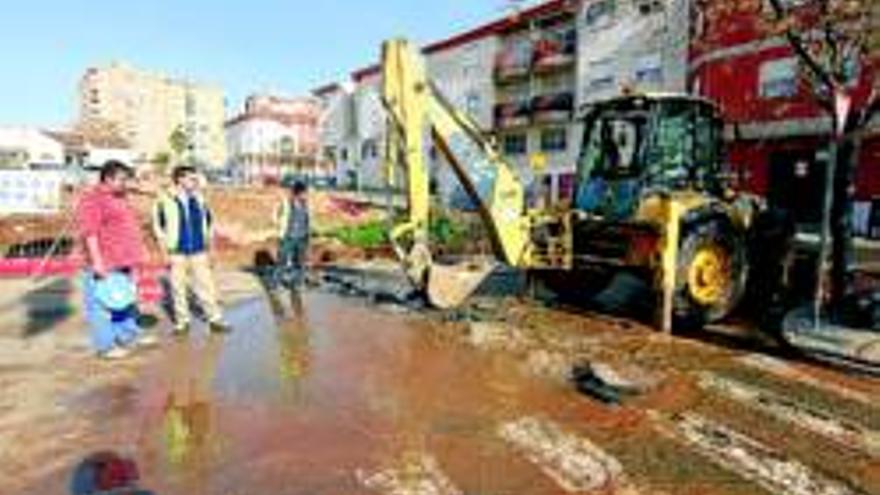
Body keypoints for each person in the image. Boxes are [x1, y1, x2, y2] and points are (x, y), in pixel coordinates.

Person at [76, 160, 157, 360]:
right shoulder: (93, 200)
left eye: (126, 179)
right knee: (101, 306)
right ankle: (105, 346)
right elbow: (90, 233)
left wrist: (141, 250)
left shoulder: (120, 197)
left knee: (124, 301)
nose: (126, 183)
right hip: (105, 261)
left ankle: (128, 335)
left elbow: (128, 227)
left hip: (123, 260)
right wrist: (97, 262)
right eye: (122, 179)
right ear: (107, 178)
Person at [152, 165, 232, 336]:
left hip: (198, 251)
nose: (195, 182)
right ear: (179, 179)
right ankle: (182, 323)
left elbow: (209, 225)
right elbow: (159, 229)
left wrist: (211, 250)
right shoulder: (164, 200)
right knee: (178, 288)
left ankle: (215, 320)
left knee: (207, 286)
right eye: (191, 179)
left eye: (195, 179)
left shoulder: (200, 200)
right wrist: (164, 253)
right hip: (176, 252)